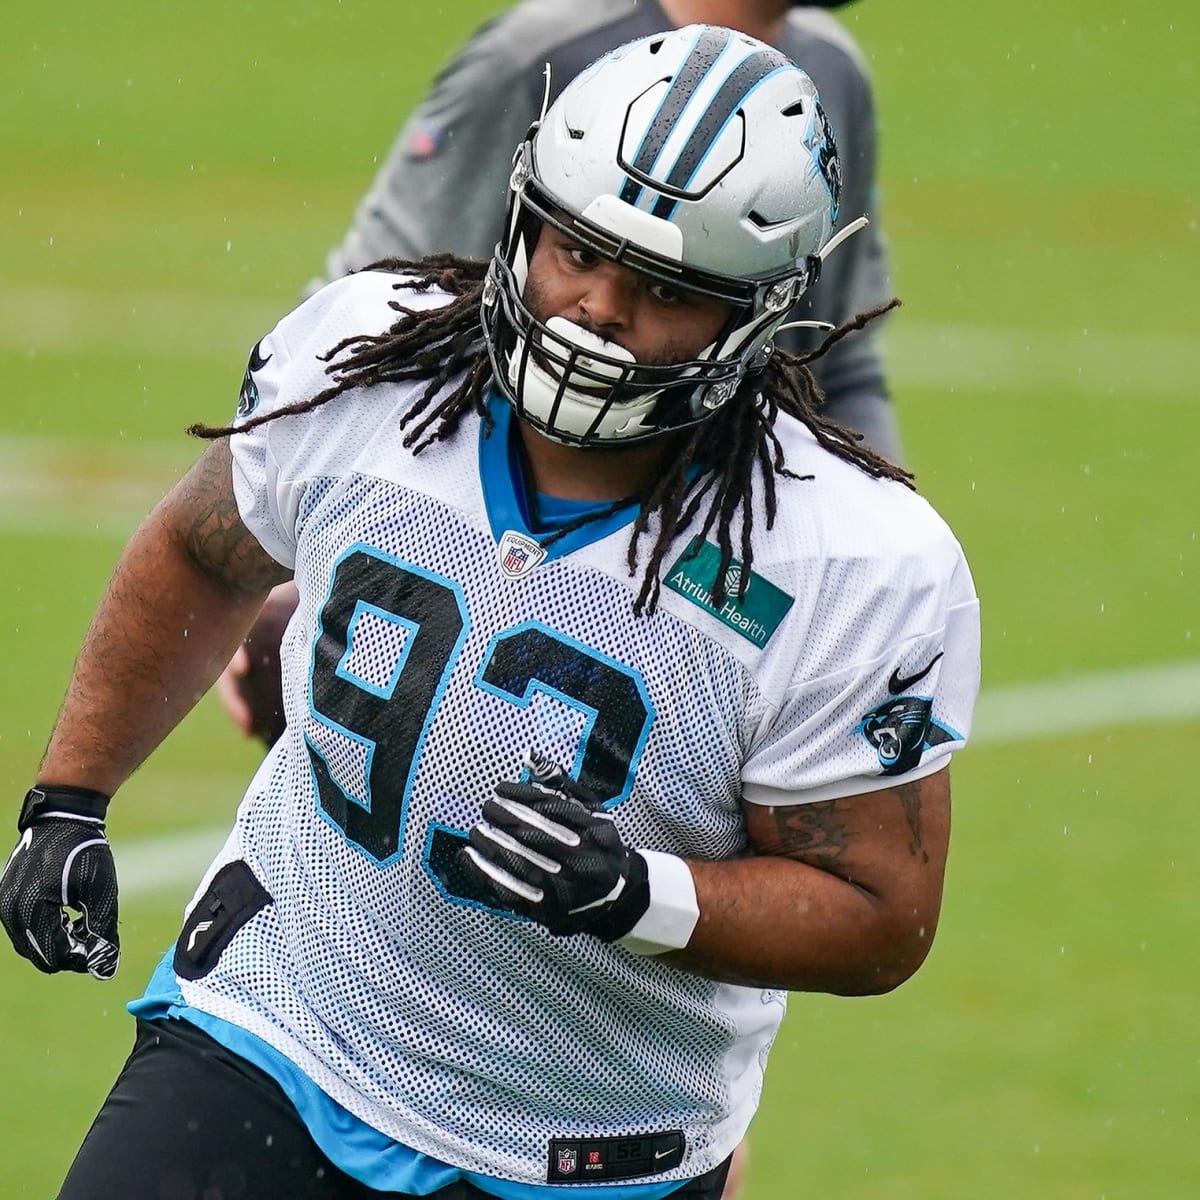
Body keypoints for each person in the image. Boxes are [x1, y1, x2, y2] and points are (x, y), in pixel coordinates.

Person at [0, 26, 979, 1200]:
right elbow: (202, 552)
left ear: (762, 313)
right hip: (275, 1023)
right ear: (522, 218)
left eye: (665, 288)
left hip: (583, 1138)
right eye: (575, 252)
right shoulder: (372, 362)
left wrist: (641, 895)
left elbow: (882, 916)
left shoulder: (850, 559)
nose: (594, 311)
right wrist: (68, 797)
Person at [221, 0, 901, 749]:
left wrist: (870, 580)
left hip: (694, 581)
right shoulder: (545, 49)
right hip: (465, 542)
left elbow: (840, 358)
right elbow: (378, 306)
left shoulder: (829, 74)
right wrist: (292, 561)